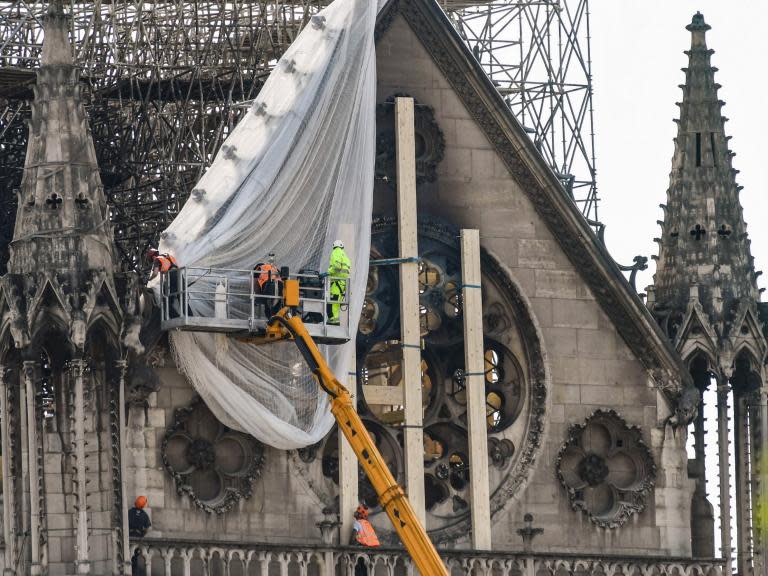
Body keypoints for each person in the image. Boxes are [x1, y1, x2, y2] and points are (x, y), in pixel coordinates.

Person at [147, 248, 180, 318]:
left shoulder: (157, 259)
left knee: (165, 302)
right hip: (179, 275)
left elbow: (155, 273)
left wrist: (149, 279)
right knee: (182, 298)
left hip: (171, 277)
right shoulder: (167, 256)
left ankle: (176, 317)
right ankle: (190, 316)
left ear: (153, 257)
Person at [350, 504, 379, 576]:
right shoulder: (367, 524)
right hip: (370, 551)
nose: (355, 513)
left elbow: (352, 539)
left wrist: (350, 550)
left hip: (360, 551)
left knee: (359, 571)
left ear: (359, 515)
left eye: (357, 512)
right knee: (366, 571)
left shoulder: (358, 523)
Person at [327, 240, 351, 325]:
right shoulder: (345, 256)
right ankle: (335, 321)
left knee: (331, 302)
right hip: (342, 283)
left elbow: (336, 266)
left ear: (334, 246)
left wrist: (328, 272)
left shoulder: (336, 252)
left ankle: (332, 320)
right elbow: (345, 271)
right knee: (336, 304)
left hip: (336, 282)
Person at [129, 495, 152, 576]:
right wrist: (142, 535)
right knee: (134, 558)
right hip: (138, 537)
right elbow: (147, 528)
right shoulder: (144, 515)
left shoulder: (129, 512)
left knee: (129, 558)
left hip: (129, 536)